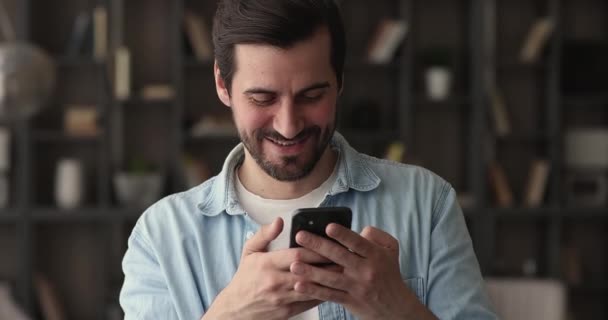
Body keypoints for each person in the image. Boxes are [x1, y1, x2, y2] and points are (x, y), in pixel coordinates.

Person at [119, 0, 498, 319]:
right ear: (222, 84)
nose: (288, 126)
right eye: (263, 99)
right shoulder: (161, 236)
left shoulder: (427, 203)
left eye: (312, 95)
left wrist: (399, 308)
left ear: (340, 81)